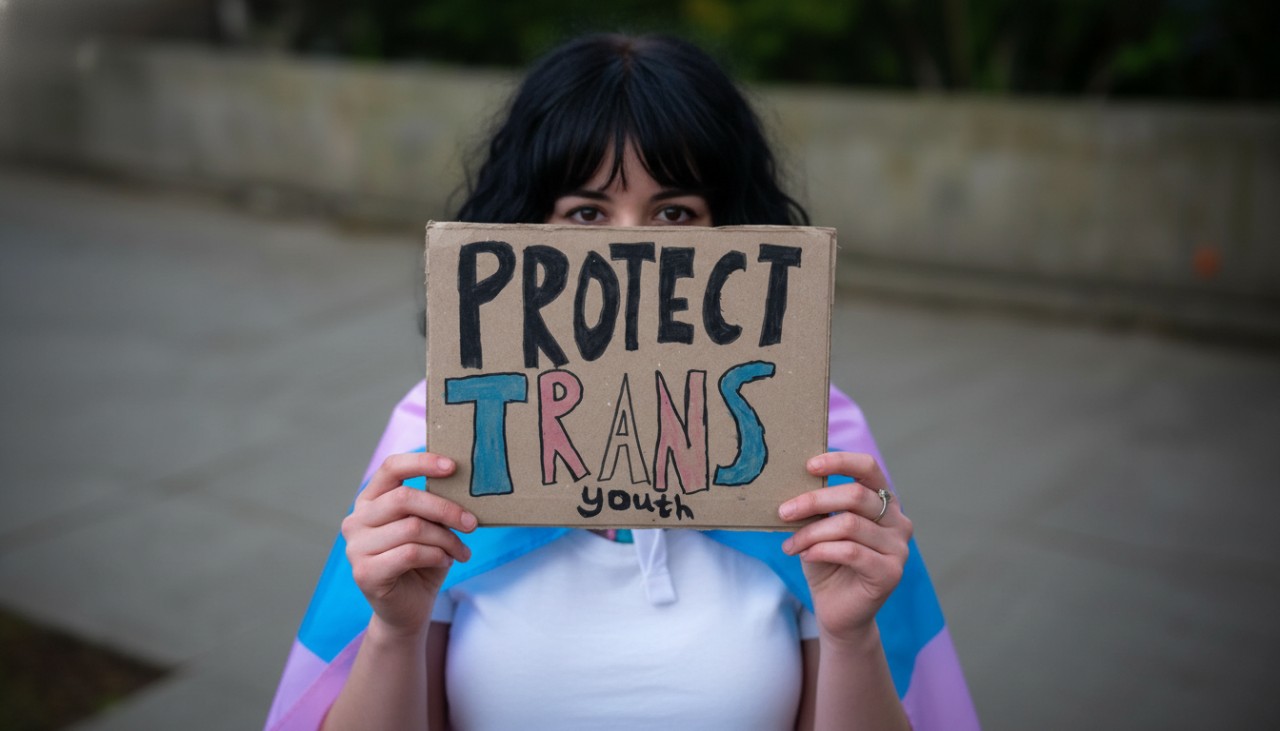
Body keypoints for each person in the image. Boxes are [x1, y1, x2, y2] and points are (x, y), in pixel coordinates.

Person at [265, 33, 978, 731]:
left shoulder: (810, 453)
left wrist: (854, 635)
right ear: (521, 234)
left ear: (735, 237)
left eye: (674, 213)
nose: (630, 246)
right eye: (585, 213)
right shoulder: (442, 448)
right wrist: (392, 629)